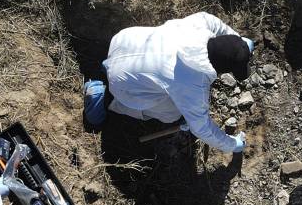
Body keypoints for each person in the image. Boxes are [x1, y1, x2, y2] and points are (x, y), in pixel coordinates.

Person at [84, 12, 253, 153]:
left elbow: (221, 29)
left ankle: (105, 68)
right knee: (173, 113)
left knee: (159, 82)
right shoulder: (194, 84)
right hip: (120, 83)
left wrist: (240, 43)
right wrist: (233, 145)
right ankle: (106, 100)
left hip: (122, 41)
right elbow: (202, 129)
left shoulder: (199, 23)